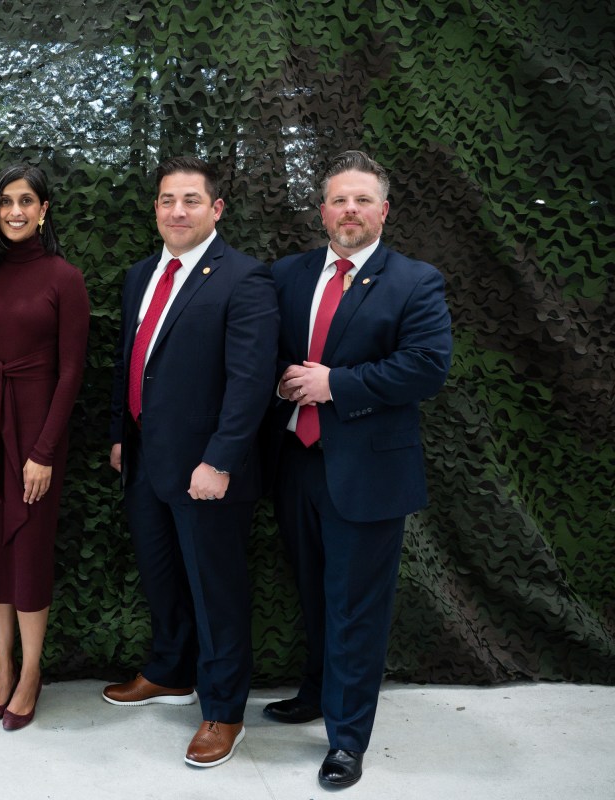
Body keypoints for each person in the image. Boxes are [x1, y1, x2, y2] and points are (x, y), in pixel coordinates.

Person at [266, 150, 452, 789]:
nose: (350, 210)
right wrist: (283, 381)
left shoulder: (415, 281)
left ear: (384, 211)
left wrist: (335, 384)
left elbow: (426, 366)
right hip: (296, 462)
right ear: (322, 211)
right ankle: (317, 694)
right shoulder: (287, 275)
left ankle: (347, 739)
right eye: (339, 200)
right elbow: (259, 349)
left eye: (363, 200)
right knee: (314, 593)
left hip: (368, 473)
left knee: (357, 607)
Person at [104, 157, 278, 767]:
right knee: (162, 577)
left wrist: (220, 461)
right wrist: (121, 435)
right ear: (155, 208)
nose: (177, 211)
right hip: (145, 458)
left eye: (191, 201)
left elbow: (251, 382)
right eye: (167, 200)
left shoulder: (245, 278)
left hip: (207, 469)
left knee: (215, 590)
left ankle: (224, 712)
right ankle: (170, 672)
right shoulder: (141, 275)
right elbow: (131, 359)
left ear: (216, 209)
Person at [0, 164, 90, 732]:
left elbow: (72, 371)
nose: (15, 211)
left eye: (26, 200)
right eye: (6, 201)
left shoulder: (65, 278)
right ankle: (2, 670)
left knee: (28, 552)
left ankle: (31, 674)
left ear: (44, 209)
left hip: (36, 430)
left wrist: (45, 452)